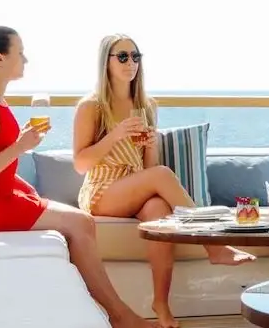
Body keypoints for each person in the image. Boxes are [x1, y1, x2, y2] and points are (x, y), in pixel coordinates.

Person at [0, 26, 153, 328]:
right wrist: (20, 147)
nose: (25, 60)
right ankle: (119, 315)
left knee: (81, 221)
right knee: (80, 222)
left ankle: (101, 311)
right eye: (20, 53)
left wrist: (25, 187)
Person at [72, 34, 256, 328]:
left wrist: (149, 144)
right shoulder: (91, 106)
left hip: (134, 185)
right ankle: (214, 244)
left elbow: (150, 168)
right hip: (102, 189)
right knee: (162, 178)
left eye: (135, 56)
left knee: (159, 211)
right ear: (105, 62)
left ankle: (161, 303)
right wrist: (116, 135)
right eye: (122, 57)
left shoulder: (147, 105)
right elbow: (81, 163)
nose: (130, 63)